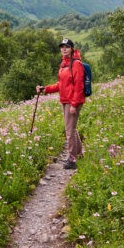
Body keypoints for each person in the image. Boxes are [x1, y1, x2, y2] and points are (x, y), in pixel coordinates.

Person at [36, 37, 85, 169]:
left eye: (67, 47)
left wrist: (74, 104)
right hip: (65, 100)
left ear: (72, 49)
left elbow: (79, 86)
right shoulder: (64, 64)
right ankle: (79, 154)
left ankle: (72, 160)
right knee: (72, 129)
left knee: (69, 131)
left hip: (72, 101)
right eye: (62, 47)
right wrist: (45, 89)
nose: (64, 49)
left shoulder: (76, 64)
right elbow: (60, 84)